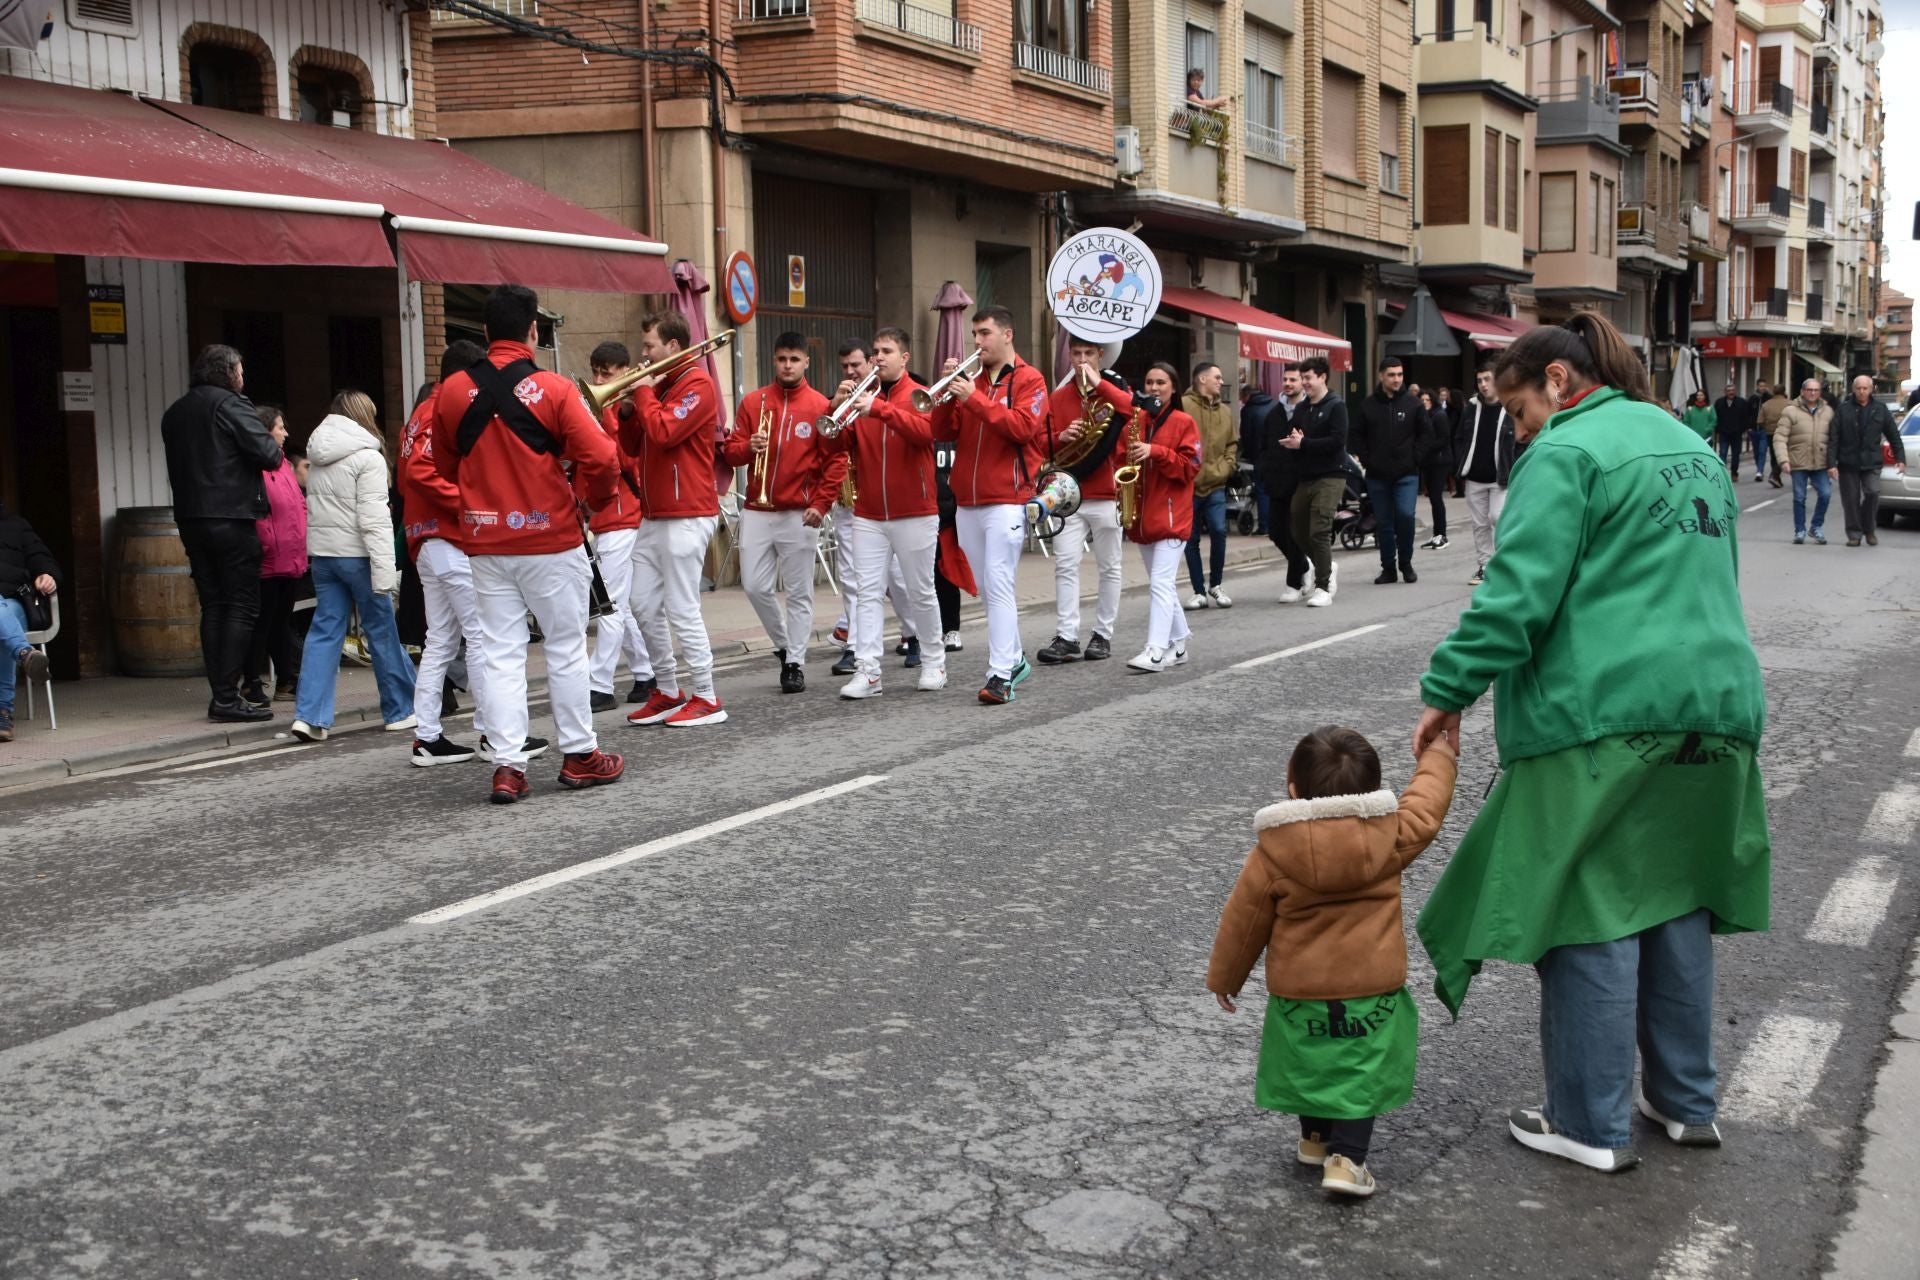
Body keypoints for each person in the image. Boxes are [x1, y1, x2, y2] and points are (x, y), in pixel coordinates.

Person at [1412, 312, 1769, 1175]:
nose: (1522, 432)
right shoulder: (1685, 445)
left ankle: (1588, 1121)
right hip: (1717, 706)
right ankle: (1685, 1104)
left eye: (1522, 413)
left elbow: (1516, 597)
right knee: (1676, 899)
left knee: (1588, 910)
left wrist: (1446, 691)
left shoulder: (1566, 452)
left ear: (1559, 384)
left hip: (1605, 712)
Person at [1206, 725, 1457, 1198]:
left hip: (1299, 989)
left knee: (1310, 1059)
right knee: (1359, 1071)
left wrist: (1226, 978)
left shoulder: (1273, 853)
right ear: (1374, 793)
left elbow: (1245, 921)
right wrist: (1439, 753)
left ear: (1294, 790)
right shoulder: (1392, 835)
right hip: (1372, 988)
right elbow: (1427, 805)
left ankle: (1315, 1139)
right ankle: (1348, 1161)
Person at [433, 283, 625, 802]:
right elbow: (604, 459)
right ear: (533, 332)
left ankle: (507, 766)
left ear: (485, 331)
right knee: (564, 648)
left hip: (484, 542)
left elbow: (444, 463)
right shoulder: (558, 390)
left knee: (498, 653)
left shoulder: (450, 392)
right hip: (551, 539)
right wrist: (592, 502)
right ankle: (581, 754)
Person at [397, 341, 512, 767]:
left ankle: (428, 737)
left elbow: (408, 475)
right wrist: (469, 503)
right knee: (478, 637)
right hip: (447, 537)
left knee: (441, 641)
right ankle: (493, 735)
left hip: (427, 538)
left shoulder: (417, 415)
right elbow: (422, 471)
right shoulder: (437, 410)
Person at [160, 344, 284, 723]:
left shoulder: (175, 413)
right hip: (231, 518)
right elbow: (270, 454)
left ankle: (222, 695)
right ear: (228, 373)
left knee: (214, 605)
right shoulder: (232, 404)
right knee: (242, 606)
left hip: (191, 519)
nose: (243, 379)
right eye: (241, 372)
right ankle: (228, 697)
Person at [932, 305, 1048, 705]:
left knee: (998, 585)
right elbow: (940, 430)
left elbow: (1022, 428)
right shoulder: (973, 381)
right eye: (975, 335)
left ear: (1007, 334)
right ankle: (1014, 659)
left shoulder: (1031, 379)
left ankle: (1000, 674)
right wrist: (949, 391)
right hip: (968, 500)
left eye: (984, 334)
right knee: (987, 587)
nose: (977, 342)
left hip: (1006, 499)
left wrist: (974, 397)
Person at [620, 310, 728, 727]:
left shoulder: (697, 384)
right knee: (642, 603)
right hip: (654, 514)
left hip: (687, 512)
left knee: (682, 607)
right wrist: (630, 409)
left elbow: (665, 432)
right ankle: (667, 689)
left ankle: (706, 695)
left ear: (674, 347)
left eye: (648, 346)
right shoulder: (660, 388)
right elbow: (633, 446)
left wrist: (645, 395)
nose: (642, 354)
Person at [288, 391, 417, 741]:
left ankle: (309, 716)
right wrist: (386, 572)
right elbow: (374, 521)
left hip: (325, 557)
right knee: (381, 631)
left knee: (324, 632)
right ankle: (400, 709)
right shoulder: (368, 457)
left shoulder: (317, 454)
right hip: (359, 556)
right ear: (365, 416)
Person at [830, 326, 948, 698]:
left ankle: (934, 662)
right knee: (866, 593)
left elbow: (924, 434)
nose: (878, 357)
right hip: (868, 513)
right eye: (876, 351)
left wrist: (878, 409)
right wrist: (835, 408)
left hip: (915, 510)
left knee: (920, 592)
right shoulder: (862, 396)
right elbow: (836, 442)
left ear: (904, 358)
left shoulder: (921, 394)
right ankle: (868, 671)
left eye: (886, 351)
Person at [721, 331, 837, 694]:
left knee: (800, 592)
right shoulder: (753, 402)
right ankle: (786, 646)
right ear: (774, 360)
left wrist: (820, 504)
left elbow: (834, 461)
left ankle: (795, 664)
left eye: (794, 359)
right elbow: (730, 451)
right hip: (756, 508)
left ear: (806, 362)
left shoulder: (820, 405)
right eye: (781, 359)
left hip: (799, 512)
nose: (787, 365)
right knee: (755, 587)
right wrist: (746, 446)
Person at [579, 342, 666, 712]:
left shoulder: (630, 410)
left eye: (607, 372)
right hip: (605, 518)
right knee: (622, 603)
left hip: (625, 516)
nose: (599, 379)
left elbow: (627, 460)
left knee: (610, 605)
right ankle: (646, 673)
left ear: (626, 372)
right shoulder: (603, 408)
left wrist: (611, 419)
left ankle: (599, 683)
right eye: (596, 372)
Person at [1036, 337, 1131, 665]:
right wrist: (1060, 437)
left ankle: (1103, 634)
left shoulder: (1113, 390)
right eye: (1075, 354)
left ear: (1100, 356)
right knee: (1065, 564)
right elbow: (1039, 443)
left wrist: (1100, 385)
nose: (1081, 360)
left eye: (1088, 354)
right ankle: (1067, 636)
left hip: (1106, 491)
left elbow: (1131, 410)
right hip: (1068, 491)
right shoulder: (1058, 396)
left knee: (1110, 566)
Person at [1120, 363, 1201, 672]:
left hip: (1171, 516)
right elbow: (1122, 459)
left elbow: (1190, 467)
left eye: (1160, 383)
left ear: (1173, 388)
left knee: (1161, 584)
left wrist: (1155, 451)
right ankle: (1179, 645)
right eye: (1149, 382)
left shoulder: (1184, 421)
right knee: (1161, 584)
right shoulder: (1137, 421)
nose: (1153, 388)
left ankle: (1155, 651)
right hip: (1143, 514)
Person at [243, 405, 307, 709]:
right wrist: (268, 543)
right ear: (265, 430)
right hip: (269, 557)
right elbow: (256, 511)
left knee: (281, 621)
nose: (285, 433)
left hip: (291, 557)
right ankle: (252, 683)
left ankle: (286, 681)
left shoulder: (283, 464)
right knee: (262, 622)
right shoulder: (253, 464)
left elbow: (298, 505)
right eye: (280, 427)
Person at [1353, 355, 1426, 584]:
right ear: (1381, 376)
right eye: (1392, 375)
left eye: (1400, 375)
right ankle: (1388, 568)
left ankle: (1406, 562)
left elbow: (1427, 435)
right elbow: (1356, 436)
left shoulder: (1413, 404)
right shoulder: (1368, 405)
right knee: (1384, 522)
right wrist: (1367, 460)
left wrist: (1415, 457)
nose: (1397, 379)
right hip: (1377, 475)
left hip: (1407, 473)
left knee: (1405, 516)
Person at [1282, 357, 1346, 607]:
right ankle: (1326, 565)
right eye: (1303, 378)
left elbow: (1337, 442)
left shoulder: (1335, 406)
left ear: (1322, 377)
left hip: (1331, 475)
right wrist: (1292, 441)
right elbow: (1295, 435)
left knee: (1320, 529)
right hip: (1305, 476)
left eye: (1308, 378)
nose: (1305, 383)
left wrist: (1304, 443)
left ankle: (1323, 587)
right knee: (1297, 529)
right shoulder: (1302, 408)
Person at [0, 501, 57, 745]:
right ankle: (25, 653)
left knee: (3, 622)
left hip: (15, 603)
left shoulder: (16, 526)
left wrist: (46, 575)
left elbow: (42, 559)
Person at [1453, 365, 1515, 586]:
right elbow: (1459, 436)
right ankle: (1485, 565)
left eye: (1487, 379)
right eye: (1479, 380)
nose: (1483, 385)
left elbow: (1520, 440)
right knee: (1479, 524)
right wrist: (1461, 460)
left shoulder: (1510, 406)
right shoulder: (1471, 407)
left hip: (1501, 477)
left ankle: (1505, 563)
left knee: (1498, 518)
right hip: (1475, 476)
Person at [1182, 362, 1237, 610]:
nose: (1220, 381)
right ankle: (1198, 591)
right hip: (1189, 484)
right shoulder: (1184, 406)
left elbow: (1232, 444)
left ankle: (1216, 584)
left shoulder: (1225, 411)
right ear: (1201, 379)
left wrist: (1227, 467)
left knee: (1218, 530)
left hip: (1216, 482)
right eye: (1217, 376)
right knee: (1190, 538)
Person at [1830, 373, 1906, 547]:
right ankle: (1854, 534)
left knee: (1873, 493)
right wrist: (1831, 463)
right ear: (1853, 389)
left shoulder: (1880, 409)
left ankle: (1869, 528)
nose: (1862, 391)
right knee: (1850, 500)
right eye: (1858, 388)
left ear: (1871, 389)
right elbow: (1834, 438)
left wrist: (1900, 459)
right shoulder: (1843, 410)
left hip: (1871, 460)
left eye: (1865, 388)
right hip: (1848, 461)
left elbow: (1893, 436)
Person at [1259, 364, 1314, 603]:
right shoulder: (1274, 413)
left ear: (1303, 382)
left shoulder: (1310, 411)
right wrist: (1264, 470)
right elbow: (1263, 446)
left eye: (1293, 379)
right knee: (1276, 532)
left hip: (1302, 481)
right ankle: (1304, 565)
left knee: (1295, 533)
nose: (1288, 383)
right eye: (1285, 379)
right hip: (1277, 481)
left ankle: (1293, 584)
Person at [1774, 378, 1836, 544]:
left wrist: (1834, 463)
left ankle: (1816, 526)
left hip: (1821, 461)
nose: (1813, 393)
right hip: (1798, 461)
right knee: (1799, 497)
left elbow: (1834, 438)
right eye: (1809, 390)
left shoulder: (1828, 411)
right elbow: (1780, 437)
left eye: (1816, 390)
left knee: (1825, 494)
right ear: (1802, 391)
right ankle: (1800, 530)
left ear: (1820, 392)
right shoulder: (1790, 411)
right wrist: (1783, 460)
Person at [1239, 380, 1277, 537]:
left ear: (1247, 395)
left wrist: (1246, 454)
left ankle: (1264, 526)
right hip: (1277, 454)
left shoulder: (1248, 410)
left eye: (1241, 397)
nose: (1241, 400)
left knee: (1262, 490)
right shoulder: (1274, 404)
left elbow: (1246, 435)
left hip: (1260, 455)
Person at [1416, 388, 1452, 552]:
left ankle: (1442, 534)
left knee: (1436, 497)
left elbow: (1444, 439)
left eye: (1427, 400)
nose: (1424, 403)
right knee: (1433, 498)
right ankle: (1437, 533)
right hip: (1429, 461)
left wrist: (1426, 447)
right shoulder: (1424, 417)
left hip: (1439, 461)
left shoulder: (1439, 415)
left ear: (1432, 400)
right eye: (1421, 400)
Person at [1711, 382, 1752, 478]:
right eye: (1729, 391)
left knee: (1736, 454)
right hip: (1723, 432)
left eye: (1732, 390)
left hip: (1736, 433)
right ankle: (1722, 473)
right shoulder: (1719, 402)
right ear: (1725, 392)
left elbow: (1746, 417)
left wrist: (1743, 429)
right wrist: (1718, 429)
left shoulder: (1742, 402)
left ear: (1735, 391)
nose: (1731, 392)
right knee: (1723, 452)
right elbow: (1715, 416)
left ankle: (1734, 472)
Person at [1755, 383, 1788, 487]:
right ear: (1784, 391)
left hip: (1770, 433)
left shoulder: (1766, 404)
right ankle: (1775, 474)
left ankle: (1776, 478)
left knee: (1774, 455)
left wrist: (1768, 424)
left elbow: (1759, 421)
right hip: (1785, 432)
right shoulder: (1790, 404)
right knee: (1784, 454)